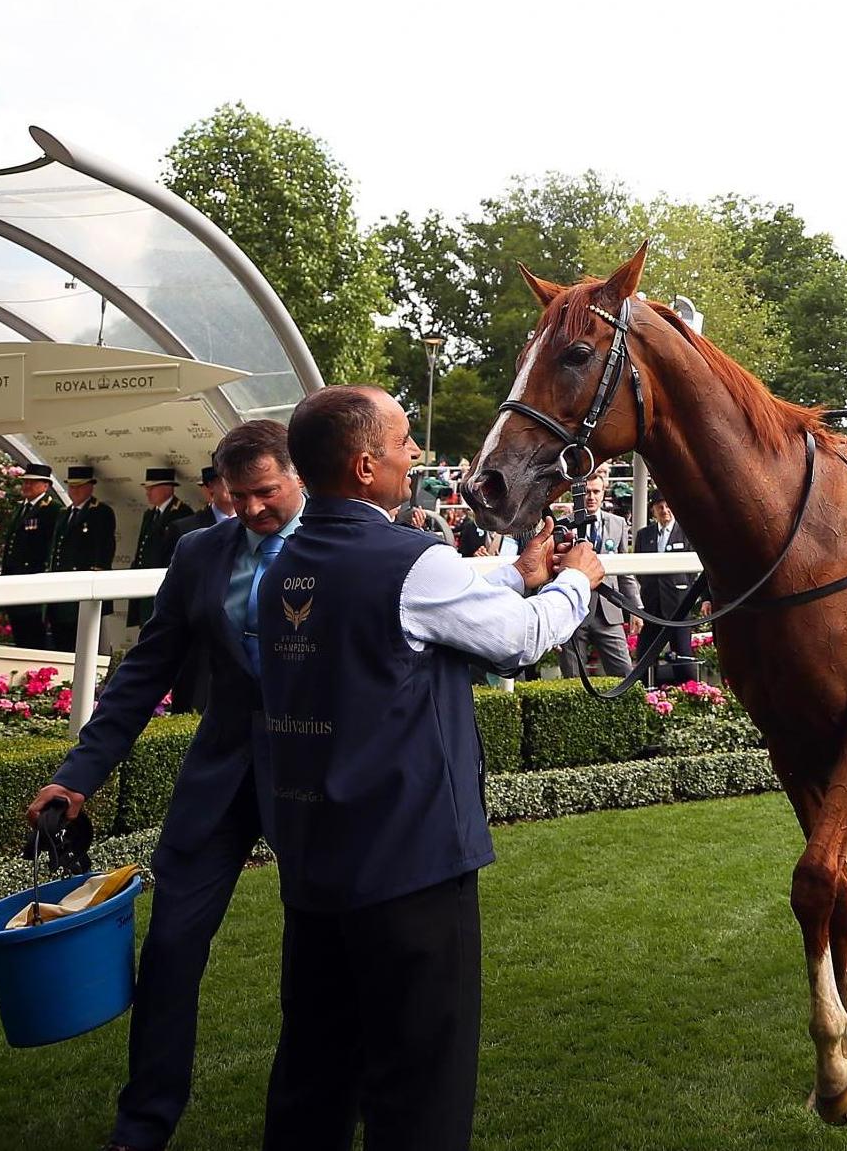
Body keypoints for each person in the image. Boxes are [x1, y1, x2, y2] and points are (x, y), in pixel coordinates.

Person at [256, 386, 603, 1149]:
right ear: (365, 463)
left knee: (315, 1072)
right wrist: (577, 579)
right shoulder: (412, 557)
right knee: (420, 1085)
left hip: (316, 860)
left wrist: (513, 571)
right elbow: (515, 640)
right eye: (405, 440)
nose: (416, 454)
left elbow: (409, 607)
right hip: (410, 866)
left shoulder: (284, 562)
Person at [23, 421, 303, 1151]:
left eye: (264, 492)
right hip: (218, 779)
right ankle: (141, 1126)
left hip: (315, 785)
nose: (247, 510)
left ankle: (321, 1111)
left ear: (298, 475)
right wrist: (76, 777)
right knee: (172, 948)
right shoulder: (197, 550)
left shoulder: (343, 546)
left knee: (324, 954)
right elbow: (144, 671)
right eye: (234, 495)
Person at [557, 473, 640, 683]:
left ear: (604, 494)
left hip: (608, 612)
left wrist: (635, 609)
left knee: (624, 675)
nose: (591, 497)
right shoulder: (564, 526)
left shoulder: (618, 524)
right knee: (573, 681)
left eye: (596, 491)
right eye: (586, 492)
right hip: (574, 612)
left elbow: (625, 573)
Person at [52, 464, 121, 651]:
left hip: (83, 586)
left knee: (86, 642)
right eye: (71, 486)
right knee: (62, 640)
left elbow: (103, 550)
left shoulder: (100, 512)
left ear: (90, 487)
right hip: (63, 587)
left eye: (79, 486)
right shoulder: (64, 514)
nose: (73, 491)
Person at [633, 492, 698, 683]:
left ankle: (687, 696)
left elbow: (693, 569)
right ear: (653, 510)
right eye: (659, 507)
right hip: (651, 606)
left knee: (683, 660)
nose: (665, 510)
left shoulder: (686, 532)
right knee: (644, 658)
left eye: (668, 506)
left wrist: (680, 586)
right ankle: (647, 696)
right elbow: (638, 567)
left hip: (678, 606)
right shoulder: (644, 535)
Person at [1, 462, 63, 649]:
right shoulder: (22, 508)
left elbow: (49, 547)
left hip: (32, 578)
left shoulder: (52, 510)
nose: (27, 486)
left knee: (33, 633)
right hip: (15, 578)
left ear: (45, 486)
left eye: (32, 483)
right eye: (25, 482)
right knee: (19, 630)